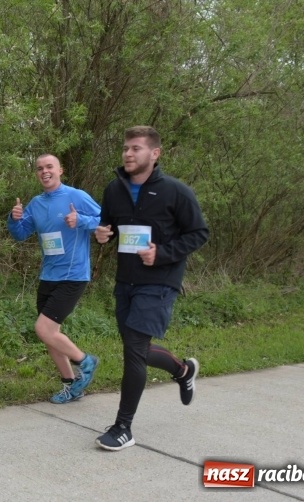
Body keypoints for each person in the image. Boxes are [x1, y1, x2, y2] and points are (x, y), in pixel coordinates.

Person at [93, 126, 209, 451]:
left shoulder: (176, 191)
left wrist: (163, 253)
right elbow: (110, 226)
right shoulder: (114, 189)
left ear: (154, 154)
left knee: (133, 351)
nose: (128, 154)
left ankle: (123, 428)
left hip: (160, 281)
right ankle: (183, 370)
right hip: (125, 280)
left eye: (136, 148)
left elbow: (199, 233)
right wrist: (104, 235)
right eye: (126, 148)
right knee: (138, 350)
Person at [7, 154, 101, 404]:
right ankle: (71, 386)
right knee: (50, 335)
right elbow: (21, 233)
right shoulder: (36, 203)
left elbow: (105, 221)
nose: (44, 171)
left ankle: (86, 361)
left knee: (43, 329)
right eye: (39, 168)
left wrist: (80, 220)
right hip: (48, 275)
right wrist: (14, 219)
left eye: (49, 166)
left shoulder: (76, 196)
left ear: (60, 169)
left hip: (73, 275)